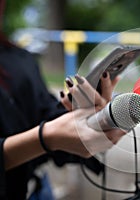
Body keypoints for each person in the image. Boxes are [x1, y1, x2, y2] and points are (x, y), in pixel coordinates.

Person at [0, 3, 126, 199]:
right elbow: (47, 132)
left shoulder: (18, 58)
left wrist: (80, 115)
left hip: (39, 189)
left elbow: (45, 112)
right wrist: (46, 138)